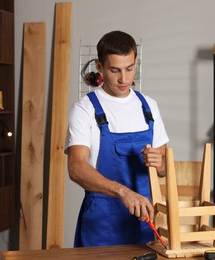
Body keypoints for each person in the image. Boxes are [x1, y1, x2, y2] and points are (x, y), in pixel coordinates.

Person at [66, 30, 169, 247]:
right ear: (99, 66)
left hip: (145, 221)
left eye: (130, 69)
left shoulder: (148, 106)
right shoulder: (85, 110)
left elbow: (165, 167)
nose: (124, 79)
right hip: (103, 225)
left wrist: (161, 164)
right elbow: (76, 167)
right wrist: (123, 192)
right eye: (115, 70)